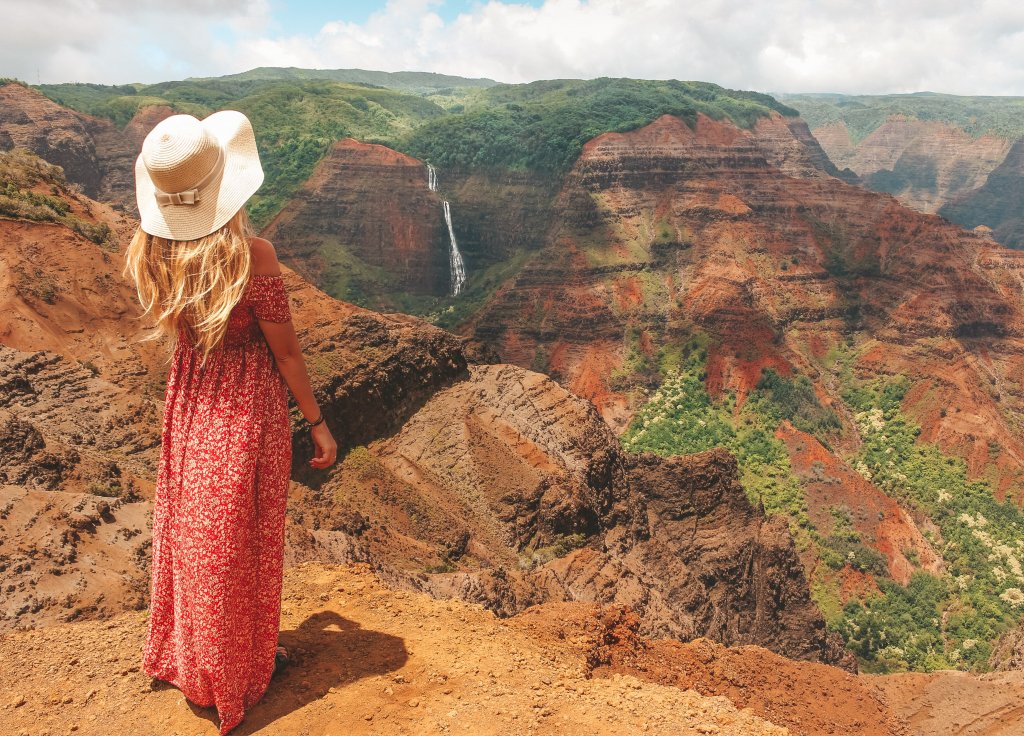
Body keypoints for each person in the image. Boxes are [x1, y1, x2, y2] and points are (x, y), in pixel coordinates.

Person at [122, 110, 338, 735]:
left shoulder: (153, 249)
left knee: (193, 529)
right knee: (241, 536)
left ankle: (191, 653)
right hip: (246, 407)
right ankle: (236, 668)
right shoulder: (254, 255)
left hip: (191, 400)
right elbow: (287, 352)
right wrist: (318, 423)